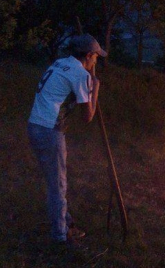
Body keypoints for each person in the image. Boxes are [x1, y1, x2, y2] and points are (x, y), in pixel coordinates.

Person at [27, 34, 107, 246]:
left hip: (35, 125)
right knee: (58, 185)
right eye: (96, 57)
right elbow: (87, 116)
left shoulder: (60, 63)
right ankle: (60, 237)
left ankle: (65, 221)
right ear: (88, 55)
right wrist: (95, 86)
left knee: (55, 181)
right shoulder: (81, 75)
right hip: (49, 131)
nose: (96, 61)